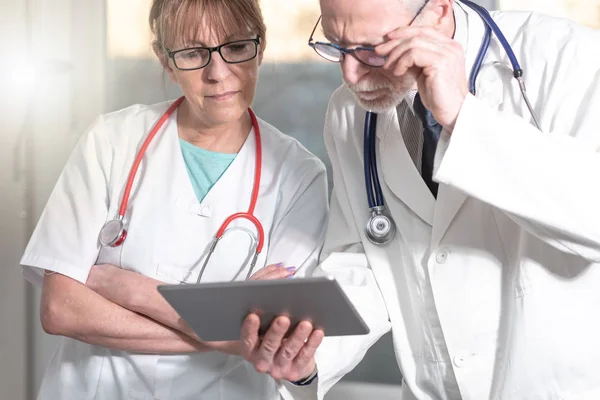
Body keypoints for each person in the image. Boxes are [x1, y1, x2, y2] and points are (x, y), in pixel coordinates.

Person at [238, 0, 600, 399]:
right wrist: (305, 353)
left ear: (438, 13)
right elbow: (365, 259)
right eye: (337, 47)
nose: (351, 75)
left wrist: (463, 118)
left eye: (373, 50)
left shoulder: (568, 58)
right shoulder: (350, 113)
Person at [19, 0, 329, 399]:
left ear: (261, 46)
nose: (218, 74)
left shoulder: (299, 176)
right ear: (165, 61)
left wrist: (132, 291)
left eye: (235, 47)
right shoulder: (111, 142)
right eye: (194, 53)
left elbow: (277, 342)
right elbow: (60, 309)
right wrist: (227, 329)